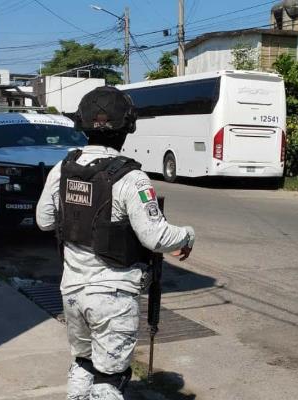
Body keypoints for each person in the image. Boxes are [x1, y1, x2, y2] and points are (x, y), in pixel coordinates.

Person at [36, 86, 195, 400]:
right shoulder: (130, 178)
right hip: (112, 296)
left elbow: (44, 220)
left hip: (72, 292)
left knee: (83, 362)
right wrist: (188, 235)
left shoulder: (63, 169)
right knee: (111, 377)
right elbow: (156, 237)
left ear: (82, 124)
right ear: (127, 127)